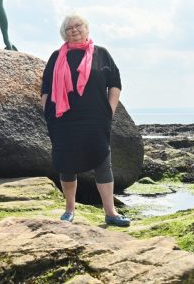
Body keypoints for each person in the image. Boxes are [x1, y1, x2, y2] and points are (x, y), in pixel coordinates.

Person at [40, 13, 130, 227]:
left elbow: (115, 83)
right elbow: (45, 88)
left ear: (86, 28)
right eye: (69, 28)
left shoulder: (102, 54)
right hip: (64, 120)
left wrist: (110, 110)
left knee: (102, 162)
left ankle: (110, 212)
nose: (74, 30)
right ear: (64, 33)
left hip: (95, 119)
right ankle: (69, 209)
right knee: (67, 164)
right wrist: (49, 113)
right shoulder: (56, 56)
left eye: (78, 25)